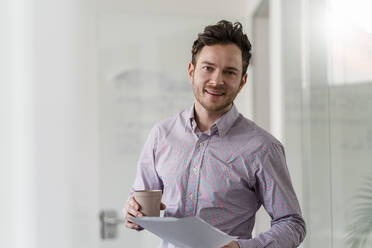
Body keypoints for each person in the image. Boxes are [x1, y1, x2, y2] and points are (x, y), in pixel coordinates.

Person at [124, 20, 306, 248]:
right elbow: (139, 206)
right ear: (191, 71)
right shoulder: (162, 135)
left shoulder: (263, 148)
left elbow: (292, 224)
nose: (217, 80)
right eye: (208, 68)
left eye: (229, 72)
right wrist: (133, 210)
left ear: (242, 82)